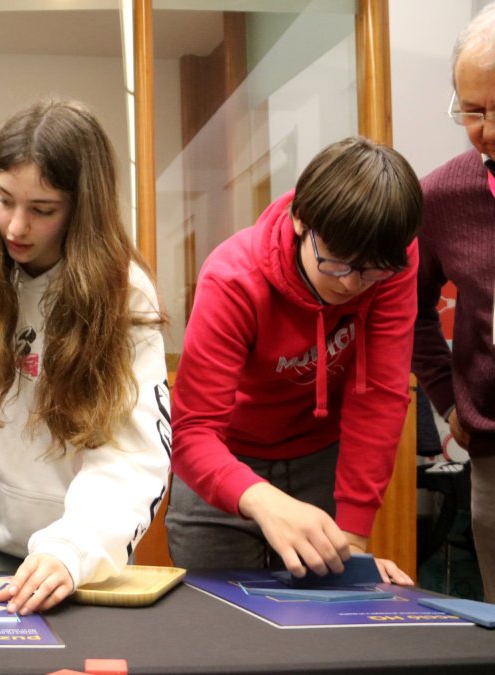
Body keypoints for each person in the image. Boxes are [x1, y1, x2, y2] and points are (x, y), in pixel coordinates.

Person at [0, 99, 171, 615]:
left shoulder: (123, 293)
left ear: (81, 207)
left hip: (81, 556)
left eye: (42, 210)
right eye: (4, 200)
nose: (16, 227)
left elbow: (134, 455)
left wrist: (71, 549)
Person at [168, 136, 420, 585]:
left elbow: (379, 395)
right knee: (221, 625)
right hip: (223, 459)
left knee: (324, 623)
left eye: (371, 271)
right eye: (338, 263)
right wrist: (263, 500)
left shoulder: (392, 260)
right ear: (300, 218)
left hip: (321, 458)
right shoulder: (233, 279)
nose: (352, 285)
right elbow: (193, 432)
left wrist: (353, 546)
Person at [414, 4, 495, 603]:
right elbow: (407, 312)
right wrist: (450, 402)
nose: (485, 130)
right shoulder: (441, 196)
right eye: (472, 111)